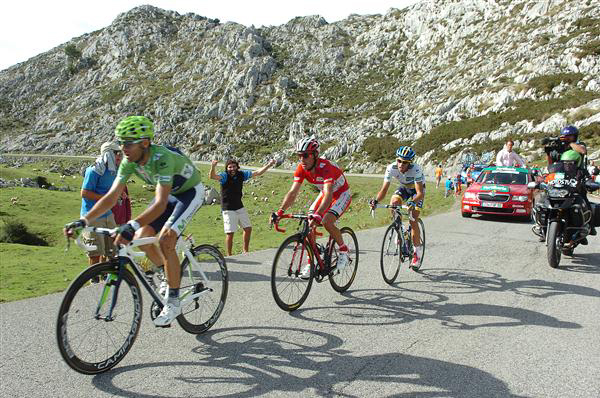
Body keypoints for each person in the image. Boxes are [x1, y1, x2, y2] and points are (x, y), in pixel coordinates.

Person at [64, 115, 205, 327]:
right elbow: (111, 197)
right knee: (143, 237)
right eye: (120, 142)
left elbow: (159, 203)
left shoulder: (162, 158)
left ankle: (174, 301)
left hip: (190, 193)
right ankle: (167, 277)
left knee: (166, 240)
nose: (123, 148)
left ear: (145, 143)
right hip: (167, 195)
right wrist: (83, 221)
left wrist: (131, 224)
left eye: (127, 143)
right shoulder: (129, 162)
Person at [271, 137, 352, 277]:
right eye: (299, 156)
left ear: (315, 155)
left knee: (326, 221)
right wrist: (280, 212)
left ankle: (343, 251)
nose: (302, 159)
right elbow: (292, 193)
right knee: (309, 221)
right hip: (325, 193)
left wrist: (319, 214)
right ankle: (312, 261)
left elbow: (328, 194)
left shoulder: (326, 168)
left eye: (306, 155)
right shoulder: (301, 169)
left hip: (341, 194)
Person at [369, 146, 425, 270]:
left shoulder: (416, 169)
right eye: (399, 161)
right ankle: (400, 228)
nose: (401, 164)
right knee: (394, 202)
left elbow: (420, 193)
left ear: (410, 163)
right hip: (404, 188)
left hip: (417, 192)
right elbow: (384, 190)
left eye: (404, 162)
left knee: (413, 219)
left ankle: (417, 253)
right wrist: (376, 200)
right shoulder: (391, 168)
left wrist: (412, 202)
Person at [209, 158, 275, 256]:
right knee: (230, 233)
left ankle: (245, 252)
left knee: (248, 228)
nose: (232, 169)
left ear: (237, 167)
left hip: (239, 206)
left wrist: (269, 165)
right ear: (227, 168)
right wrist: (213, 166)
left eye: (234, 166)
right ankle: (229, 255)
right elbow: (212, 176)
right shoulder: (224, 176)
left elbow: (257, 172)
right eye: (230, 167)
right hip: (228, 208)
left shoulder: (241, 175)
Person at [79, 142, 122, 266]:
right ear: (108, 153)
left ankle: (109, 278)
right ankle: (94, 280)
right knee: (95, 252)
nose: (119, 155)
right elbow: (85, 193)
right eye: (116, 153)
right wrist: (106, 198)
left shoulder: (114, 170)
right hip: (92, 216)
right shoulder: (93, 171)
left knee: (113, 250)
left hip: (108, 214)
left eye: (120, 153)